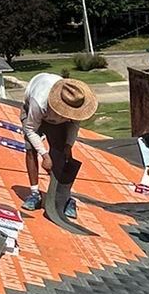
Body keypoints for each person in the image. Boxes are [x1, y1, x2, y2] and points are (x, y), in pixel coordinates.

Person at [20, 70, 100, 223]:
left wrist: (68, 146)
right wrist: (44, 155)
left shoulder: (77, 104)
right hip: (35, 114)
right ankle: (35, 194)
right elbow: (30, 129)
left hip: (57, 121)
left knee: (61, 156)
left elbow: (74, 127)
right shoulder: (39, 101)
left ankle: (64, 197)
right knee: (30, 149)